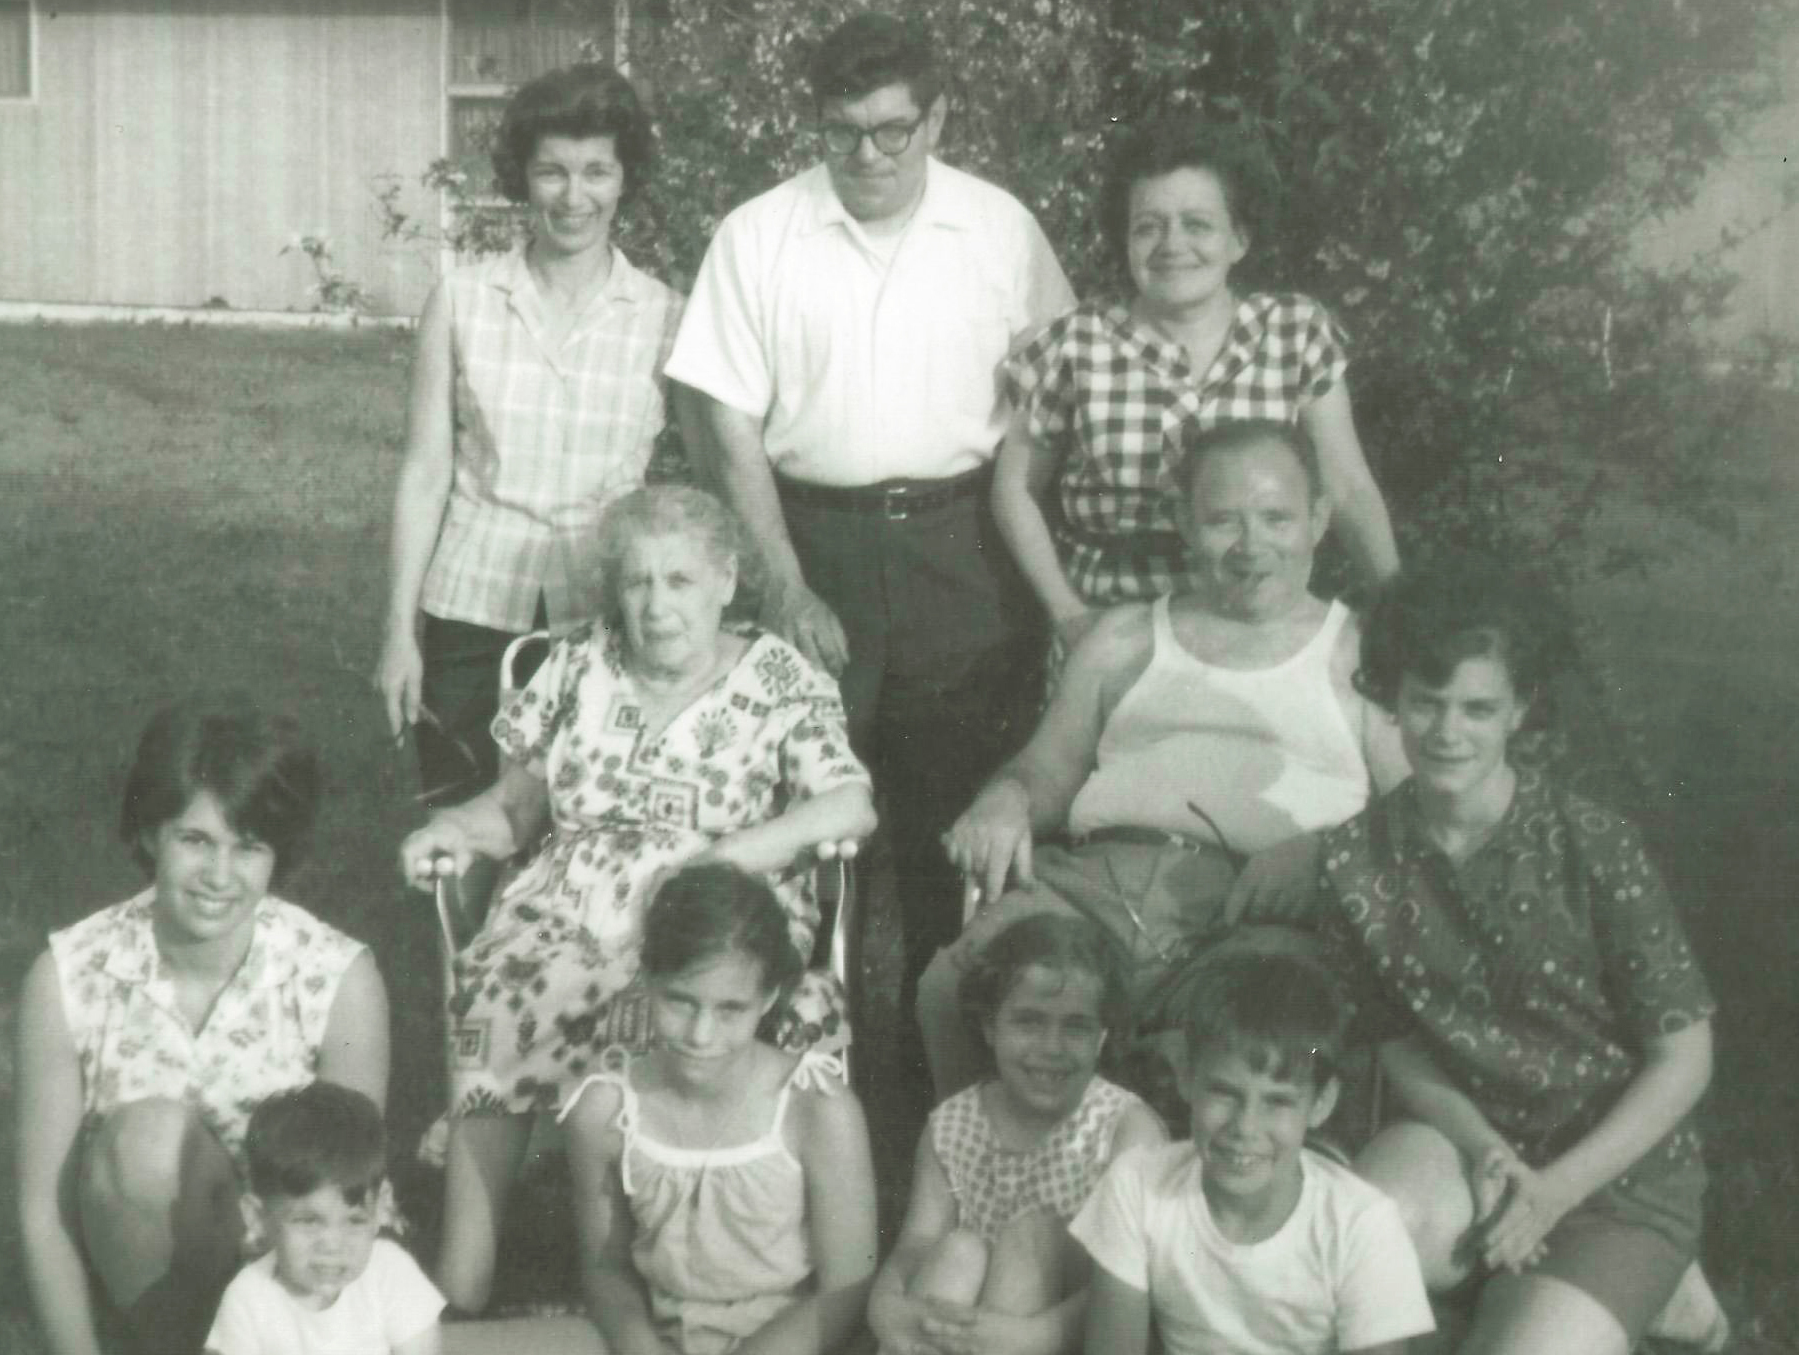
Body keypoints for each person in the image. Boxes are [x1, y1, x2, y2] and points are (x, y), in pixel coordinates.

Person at [664, 11, 1077, 1040]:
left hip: (962, 549)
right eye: (843, 130)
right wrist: (785, 583)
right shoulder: (758, 234)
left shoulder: (999, 229)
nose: (868, 155)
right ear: (814, 123)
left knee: (952, 818)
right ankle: (787, 1050)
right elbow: (726, 420)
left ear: (935, 119)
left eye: (894, 129)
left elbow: (1055, 391)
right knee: (793, 816)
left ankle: (939, 1058)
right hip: (815, 541)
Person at [398, 484, 876, 1312]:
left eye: (680, 581)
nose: (656, 606)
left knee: (731, 998)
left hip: (716, 911)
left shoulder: (777, 674)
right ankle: (467, 1278)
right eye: (638, 582)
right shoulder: (582, 660)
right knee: (504, 985)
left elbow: (848, 803)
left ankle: (735, 1270)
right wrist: (458, 826)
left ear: (727, 580)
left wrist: (721, 861)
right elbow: (517, 804)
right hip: (570, 908)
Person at [1323, 563, 1724, 1355]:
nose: (1446, 731)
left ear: (1521, 709)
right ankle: (1553, 1301)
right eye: (1426, 701)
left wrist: (1556, 1191)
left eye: (1477, 708)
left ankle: (1636, 1282)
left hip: (1615, 1171)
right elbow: (1397, 1042)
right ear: (1391, 694)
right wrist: (1483, 1148)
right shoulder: (1355, 860)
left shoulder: (1592, 843)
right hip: (1467, 1150)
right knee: (1347, 1255)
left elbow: (1685, 1055)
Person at [921, 419, 1407, 1095]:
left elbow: (1421, 814)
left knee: (1260, 1024)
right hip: (1092, 889)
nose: (1250, 546)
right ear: (1183, 520)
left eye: (1276, 518)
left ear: (1320, 519)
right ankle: (988, 1179)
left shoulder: (1359, 652)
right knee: (956, 984)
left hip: (1259, 915)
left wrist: (1328, 851)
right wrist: (1007, 796)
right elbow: (1045, 770)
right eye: (1222, 520)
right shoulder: (1124, 636)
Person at [16, 700, 391, 1355]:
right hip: (150, 1281)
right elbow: (43, 1213)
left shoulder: (338, 977)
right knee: (146, 1140)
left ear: (278, 854)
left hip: (298, 1276)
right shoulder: (68, 975)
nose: (219, 873)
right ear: (151, 832)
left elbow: (354, 1190)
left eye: (248, 846)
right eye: (195, 838)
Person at [444, 865, 878, 1355]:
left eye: (730, 1010)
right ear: (647, 979)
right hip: (665, 1349)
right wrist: (636, 1346)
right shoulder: (606, 1108)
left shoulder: (817, 1107)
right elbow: (605, 1265)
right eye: (681, 1002)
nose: (701, 1034)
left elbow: (845, 1294)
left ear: (767, 998)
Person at [377, 63, 687, 806]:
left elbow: (695, 493)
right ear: (523, 176)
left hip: (607, 611)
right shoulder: (462, 300)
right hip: (470, 610)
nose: (574, 197)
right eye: (551, 171)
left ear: (624, 179)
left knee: (588, 833)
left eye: (596, 172)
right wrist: (397, 632)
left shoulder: (667, 315)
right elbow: (425, 474)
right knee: (462, 831)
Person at [992, 121, 1397, 658]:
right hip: (1118, 635)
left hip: (1265, 629)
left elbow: (1347, 488)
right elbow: (1014, 490)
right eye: (1149, 227)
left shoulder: (1295, 332)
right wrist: (1071, 619)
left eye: (1197, 224)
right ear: (1125, 239)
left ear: (1239, 240)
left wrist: (1398, 609)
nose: (1172, 245)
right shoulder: (1074, 344)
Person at [1074, 950, 1433, 1355]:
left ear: (1321, 1103)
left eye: (1278, 1102)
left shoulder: (1363, 1225)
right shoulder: (1139, 1183)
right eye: (1224, 1092)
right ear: (1186, 1076)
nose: (1245, 1127)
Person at [858, 915, 1163, 1355]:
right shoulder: (953, 1124)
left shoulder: (1125, 1128)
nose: (1051, 1049)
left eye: (1076, 1027)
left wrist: (1033, 1337)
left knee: (1030, 1236)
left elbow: (1135, 1284)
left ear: (1103, 1037)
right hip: (959, 1337)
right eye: (1028, 1021)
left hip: (1072, 1348)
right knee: (959, 1250)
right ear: (988, 1026)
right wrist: (885, 1304)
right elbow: (917, 1244)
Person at [208, 1082, 444, 1355]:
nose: (333, 1245)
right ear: (257, 1217)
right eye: (308, 1221)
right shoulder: (248, 1300)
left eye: (355, 1220)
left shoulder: (393, 1275)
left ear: (381, 1208)